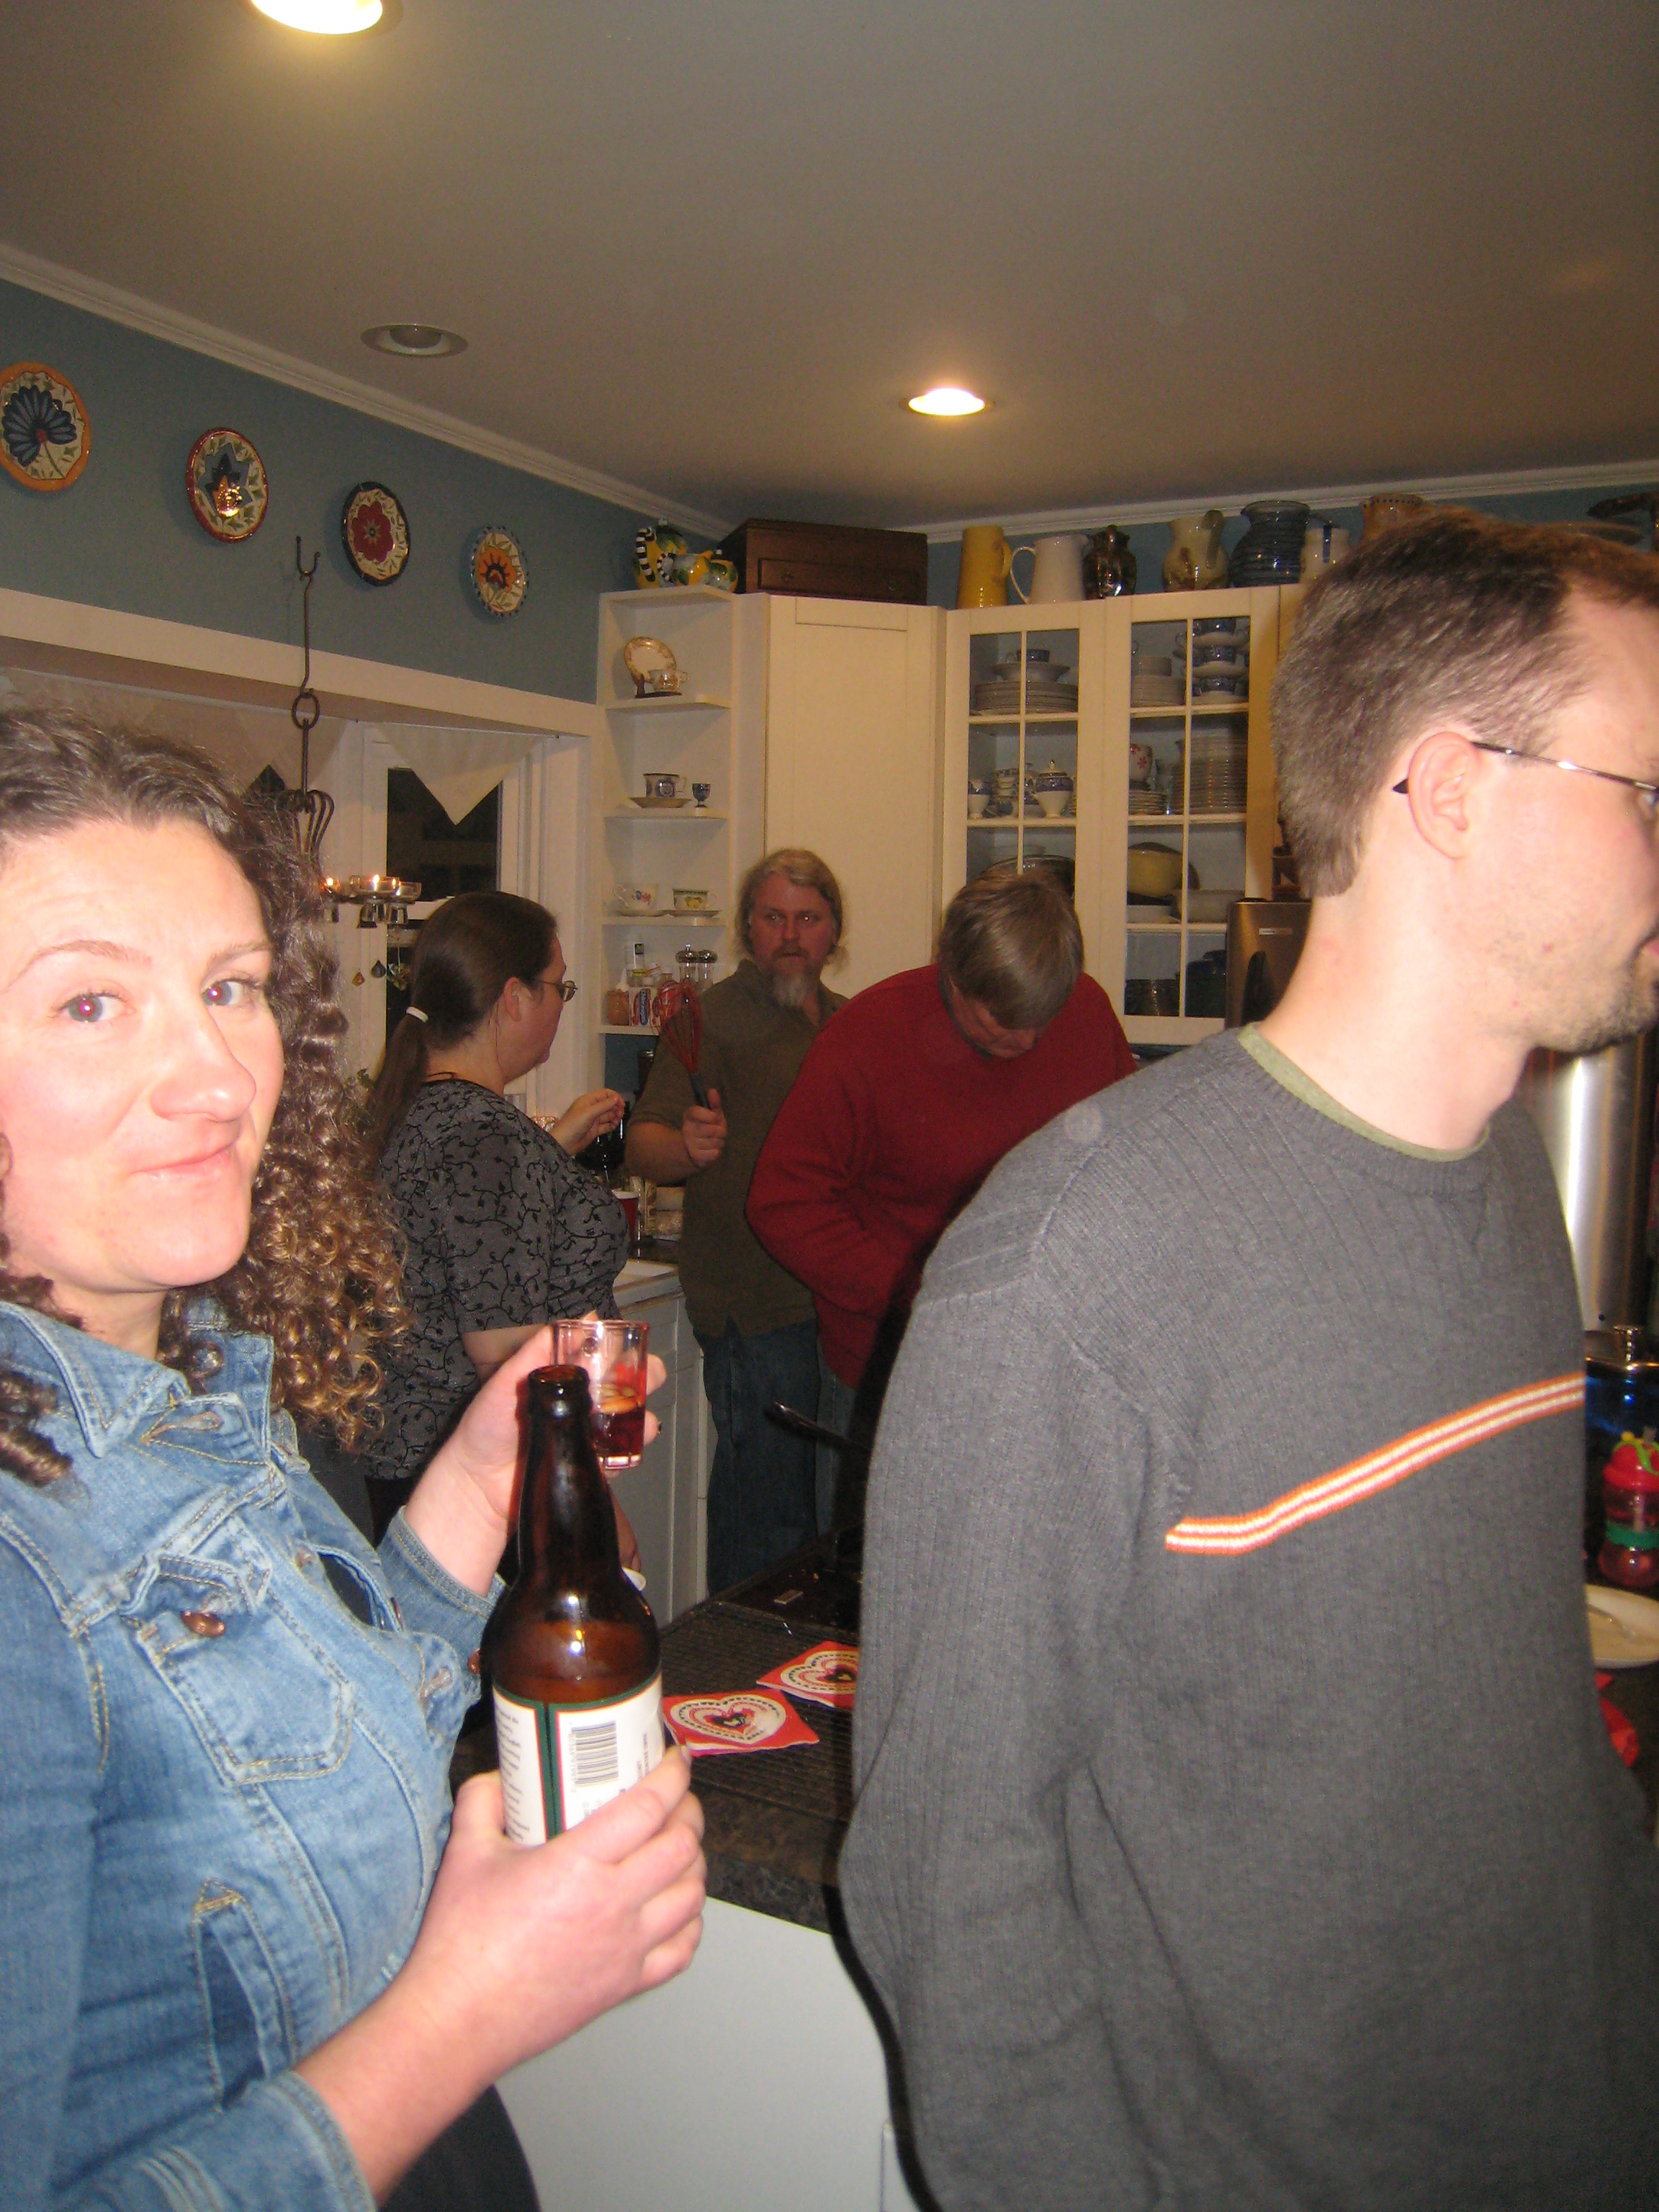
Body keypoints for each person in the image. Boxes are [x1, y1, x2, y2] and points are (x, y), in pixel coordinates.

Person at [839, 512, 1659, 2211]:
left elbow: (1504, 1710)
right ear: (1452, 788)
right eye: (1644, 790)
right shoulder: (1072, 1267)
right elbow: (950, 1883)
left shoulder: (1506, 1174)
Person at [0, 715, 704, 2212]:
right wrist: (465, 2012)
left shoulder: (194, 1384)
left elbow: (302, 1730)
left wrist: (475, 1480)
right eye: (87, 1004)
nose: (213, 1075)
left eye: (230, 987)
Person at [746, 865, 1135, 1526]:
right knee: (873, 1578)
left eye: (1041, 1019)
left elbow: (1122, 1162)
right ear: (951, 973)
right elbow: (783, 1202)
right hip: (891, 1375)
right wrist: (916, 1290)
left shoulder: (1087, 1011)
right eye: (1002, 1021)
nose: (1026, 1040)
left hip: (1042, 1375)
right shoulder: (867, 1039)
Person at [361, 891, 628, 1532]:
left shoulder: (415, 1110)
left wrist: (552, 1150)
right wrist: (594, 1505)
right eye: (558, 987)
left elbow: (469, 1241)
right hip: (485, 1488)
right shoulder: (484, 1137)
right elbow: (509, 1364)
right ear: (513, 998)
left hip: (408, 1463)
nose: (561, 1005)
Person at [626, 849, 847, 1591]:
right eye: (773, 917)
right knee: (764, 1518)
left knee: (821, 1519)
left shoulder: (850, 1023)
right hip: (751, 1308)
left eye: (807, 918)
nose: (790, 935)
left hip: (834, 1302)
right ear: (748, 927)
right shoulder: (708, 1020)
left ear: (833, 930)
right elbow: (645, 1143)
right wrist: (685, 1147)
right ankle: (734, 1659)